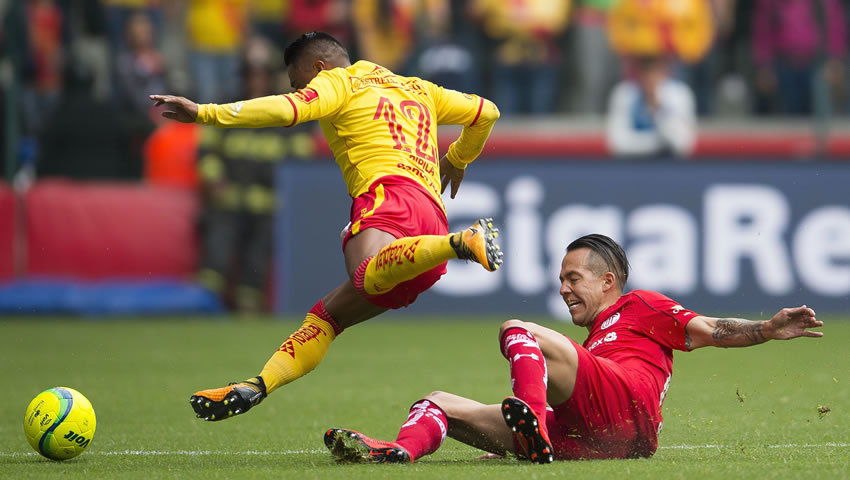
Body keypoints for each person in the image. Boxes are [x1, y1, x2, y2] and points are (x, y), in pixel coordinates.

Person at [150, 31, 502, 421]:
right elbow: (486, 112)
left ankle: (461, 242)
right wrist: (457, 157)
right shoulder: (415, 87)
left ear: (319, 67)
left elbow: (286, 111)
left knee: (365, 271)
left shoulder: (338, 81)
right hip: (429, 217)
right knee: (326, 315)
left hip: (388, 198)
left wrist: (203, 113)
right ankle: (258, 384)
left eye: (299, 82)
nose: (301, 90)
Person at [322, 233, 823, 464]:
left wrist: (766, 328)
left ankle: (533, 424)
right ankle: (398, 452)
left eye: (573, 278)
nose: (564, 288)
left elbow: (712, 328)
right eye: (561, 278)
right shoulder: (594, 342)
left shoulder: (641, 306)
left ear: (608, 281)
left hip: (626, 406)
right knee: (438, 402)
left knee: (517, 329)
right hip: (594, 436)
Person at [606, 54, 697, 158]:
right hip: (632, 167)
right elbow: (617, 145)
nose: (650, 76)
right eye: (645, 69)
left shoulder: (680, 94)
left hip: (669, 168)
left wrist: (658, 110)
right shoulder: (624, 93)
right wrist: (658, 144)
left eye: (656, 69)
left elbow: (682, 145)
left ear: (665, 70)